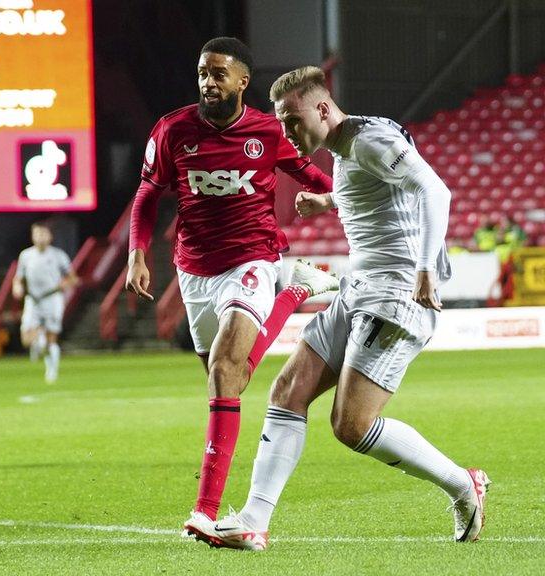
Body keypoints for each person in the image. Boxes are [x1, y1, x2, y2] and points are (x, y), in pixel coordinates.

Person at [199, 66, 490, 550]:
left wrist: (424, 269)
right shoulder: (346, 145)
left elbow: (434, 190)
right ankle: (253, 520)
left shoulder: (368, 140)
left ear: (321, 108)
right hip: (359, 289)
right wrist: (331, 201)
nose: (287, 134)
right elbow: (382, 191)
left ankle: (464, 485)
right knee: (287, 390)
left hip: (396, 294)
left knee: (351, 425)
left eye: (292, 122)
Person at [123, 37, 340, 535]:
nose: (208, 81)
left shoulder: (267, 132)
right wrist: (138, 256)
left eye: (219, 74)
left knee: (225, 369)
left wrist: (339, 200)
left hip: (252, 258)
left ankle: (204, 509)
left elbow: (316, 176)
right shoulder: (173, 129)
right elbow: (147, 194)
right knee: (230, 380)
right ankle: (295, 293)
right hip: (194, 270)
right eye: (203, 72)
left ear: (243, 81)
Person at [11, 221, 79, 383]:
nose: (40, 237)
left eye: (43, 234)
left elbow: (73, 278)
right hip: (33, 299)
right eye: (37, 234)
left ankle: (52, 370)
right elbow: (18, 278)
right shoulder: (26, 255)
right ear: (33, 236)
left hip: (52, 299)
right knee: (26, 339)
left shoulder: (58, 255)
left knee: (51, 338)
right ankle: (39, 338)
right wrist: (17, 287)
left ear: (50, 237)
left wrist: (64, 283)